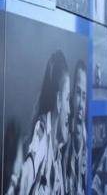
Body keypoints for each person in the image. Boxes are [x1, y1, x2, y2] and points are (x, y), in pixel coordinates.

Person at [5, 50, 72, 195]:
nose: (70, 111)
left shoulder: (58, 156)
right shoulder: (42, 132)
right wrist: (20, 183)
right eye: (68, 99)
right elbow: (30, 166)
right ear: (59, 101)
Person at [66, 60, 88, 194]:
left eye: (84, 97)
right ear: (72, 95)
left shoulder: (88, 143)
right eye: (79, 93)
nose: (81, 104)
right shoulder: (63, 137)